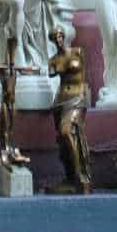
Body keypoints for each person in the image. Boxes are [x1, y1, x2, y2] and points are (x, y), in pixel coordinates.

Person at [48, 28, 91, 194]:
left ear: (63, 37)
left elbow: (84, 76)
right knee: (62, 140)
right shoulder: (53, 60)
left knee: (67, 132)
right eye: (54, 37)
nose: (58, 39)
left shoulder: (77, 52)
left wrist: (84, 97)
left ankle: (81, 176)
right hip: (60, 102)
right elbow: (52, 73)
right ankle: (70, 177)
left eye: (59, 36)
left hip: (78, 98)